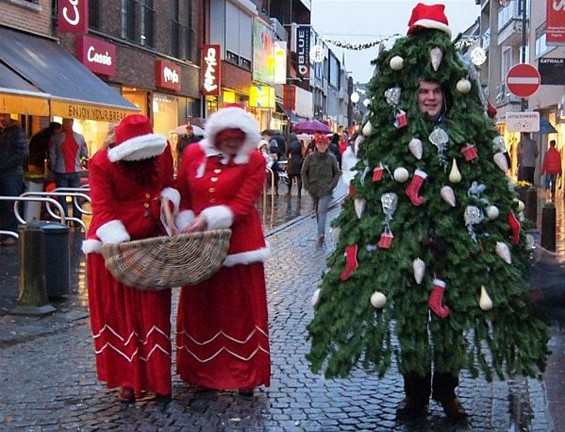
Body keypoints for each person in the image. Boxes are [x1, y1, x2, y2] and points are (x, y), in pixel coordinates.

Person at [175, 104, 271, 397]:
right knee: (203, 310)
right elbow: (182, 191)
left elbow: (244, 203)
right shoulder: (193, 154)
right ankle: (202, 372)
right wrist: (183, 216)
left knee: (239, 312)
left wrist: (212, 217)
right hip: (200, 247)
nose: (231, 148)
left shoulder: (254, 161)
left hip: (239, 246)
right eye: (226, 142)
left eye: (236, 143)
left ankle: (245, 374)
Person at [82, 114, 179, 402]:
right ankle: (127, 381)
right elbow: (102, 209)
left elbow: (169, 184)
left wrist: (170, 206)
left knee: (155, 315)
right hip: (114, 251)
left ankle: (159, 380)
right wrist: (123, 247)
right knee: (121, 315)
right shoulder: (101, 162)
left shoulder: (162, 152)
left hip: (152, 245)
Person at [301, 133, 340, 246]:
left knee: (321, 210)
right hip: (314, 189)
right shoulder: (310, 157)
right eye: (320, 144)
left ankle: (321, 234)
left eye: (324, 144)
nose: (322, 146)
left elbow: (337, 173)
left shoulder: (331, 158)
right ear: (316, 145)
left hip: (326, 190)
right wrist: (307, 185)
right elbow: (304, 171)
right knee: (317, 211)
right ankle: (320, 229)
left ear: (327, 145)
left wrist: (331, 185)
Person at [48, 118, 89, 224]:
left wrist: (53, 167)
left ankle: (64, 219)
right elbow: (84, 153)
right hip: (76, 171)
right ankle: (77, 220)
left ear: (63, 123)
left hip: (60, 171)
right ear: (72, 123)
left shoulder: (55, 138)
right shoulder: (80, 137)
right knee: (76, 196)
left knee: (62, 197)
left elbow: (52, 154)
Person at [0, 113, 28, 246]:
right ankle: (6, 233)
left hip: (11, 174)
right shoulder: (4, 132)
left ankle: (12, 233)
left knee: (11, 204)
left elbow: (23, 152)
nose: (1, 119)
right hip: (6, 172)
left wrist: (5, 165)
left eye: (3, 116)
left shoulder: (16, 131)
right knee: (5, 204)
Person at [286, 132, 304, 197]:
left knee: (290, 177)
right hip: (299, 161)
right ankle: (299, 193)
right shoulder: (300, 143)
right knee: (299, 177)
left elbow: (287, 153)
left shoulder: (290, 144)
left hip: (292, 162)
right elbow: (303, 153)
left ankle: (289, 191)